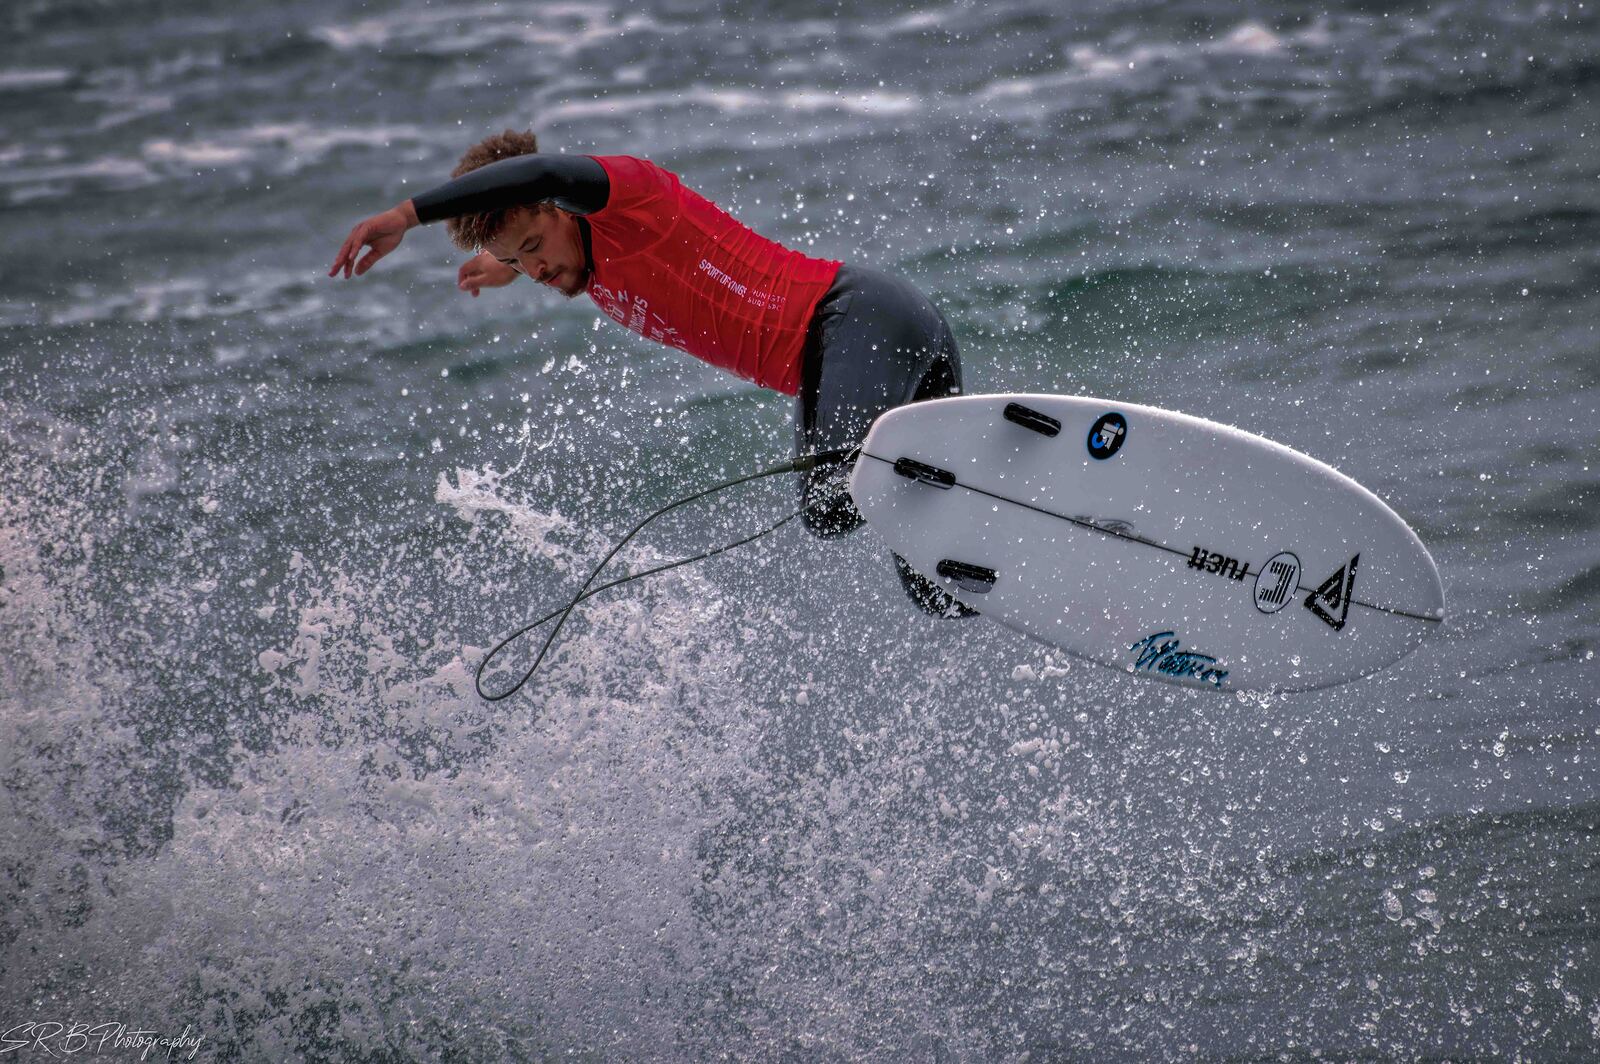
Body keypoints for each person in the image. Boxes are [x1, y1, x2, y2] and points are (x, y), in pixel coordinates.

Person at [330, 129, 974, 618]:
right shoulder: (583, 258)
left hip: (859, 323)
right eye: (515, 261)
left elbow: (544, 169)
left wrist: (407, 216)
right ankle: (1020, 518)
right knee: (932, 585)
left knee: (839, 490)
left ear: (561, 207)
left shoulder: (630, 197)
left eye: (532, 249)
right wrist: (507, 263)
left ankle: (963, 480)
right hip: (836, 364)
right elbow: (541, 240)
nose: (535, 270)